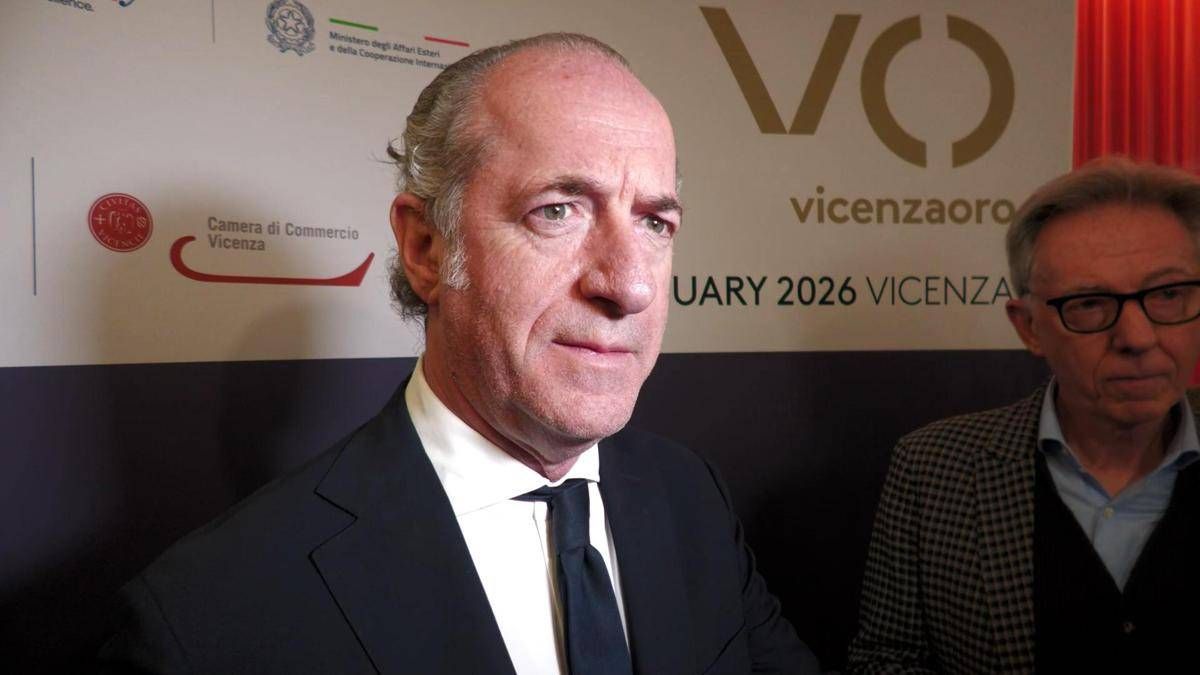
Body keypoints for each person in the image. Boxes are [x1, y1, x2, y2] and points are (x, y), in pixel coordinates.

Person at [96, 33, 818, 674]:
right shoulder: (206, 617)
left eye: (655, 223)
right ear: (426, 248)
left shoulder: (690, 495)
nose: (629, 285)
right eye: (557, 211)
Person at [848, 158, 1200, 673]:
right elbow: (884, 659)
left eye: (1168, 295)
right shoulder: (933, 469)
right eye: (1090, 303)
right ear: (1029, 327)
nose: (1137, 337)